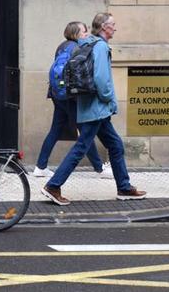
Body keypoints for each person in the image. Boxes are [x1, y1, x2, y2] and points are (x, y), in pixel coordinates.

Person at [41, 13, 146, 206]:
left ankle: (124, 187)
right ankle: (53, 185)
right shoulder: (100, 47)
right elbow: (101, 79)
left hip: (93, 107)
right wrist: (108, 99)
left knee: (115, 145)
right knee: (82, 146)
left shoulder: (87, 44)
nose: (115, 28)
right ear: (105, 27)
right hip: (97, 107)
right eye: (113, 24)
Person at [33, 21, 112, 179]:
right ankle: (99, 168)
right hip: (70, 97)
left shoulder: (61, 46)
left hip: (57, 95)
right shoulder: (76, 48)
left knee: (55, 130)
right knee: (84, 132)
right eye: (83, 31)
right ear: (76, 33)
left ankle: (40, 166)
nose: (87, 34)